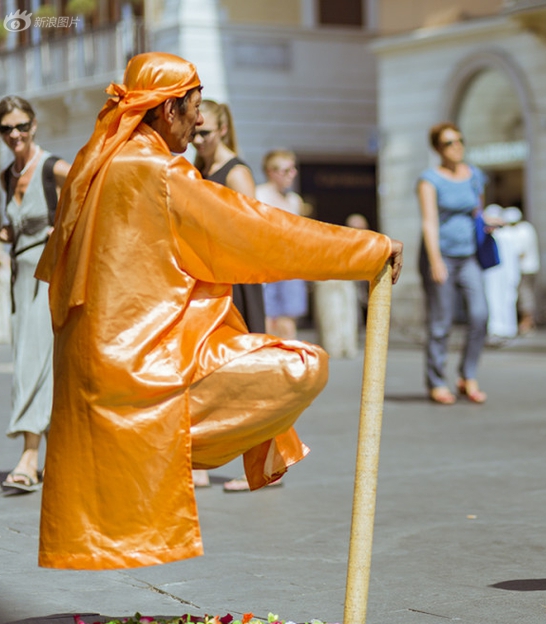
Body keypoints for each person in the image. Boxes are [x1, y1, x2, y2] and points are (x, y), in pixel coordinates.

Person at [33, 52, 403, 570]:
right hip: (147, 369)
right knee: (303, 365)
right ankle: (160, 447)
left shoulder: (92, 166)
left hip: (91, 373)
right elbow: (260, 232)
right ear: (167, 111)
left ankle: (156, 446)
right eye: (195, 107)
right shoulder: (158, 172)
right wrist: (365, 251)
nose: (199, 119)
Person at [0, 96, 71, 495]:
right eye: (6, 128)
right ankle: (50, 455)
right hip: (21, 279)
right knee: (34, 358)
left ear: (35, 124)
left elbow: (90, 192)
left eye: (21, 125)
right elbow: (16, 224)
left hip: (49, 275)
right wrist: (5, 235)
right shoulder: (7, 175)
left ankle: (28, 456)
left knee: (32, 360)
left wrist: (65, 229)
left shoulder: (52, 166)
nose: (15, 134)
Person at [417, 122, 489, 404]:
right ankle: (436, 381)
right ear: (437, 149)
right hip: (441, 255)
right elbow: (429, 222)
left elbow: (477, 211)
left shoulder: (474, 176)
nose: (457, 146)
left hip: (469, 255)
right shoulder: (429, 180)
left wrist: (487, 224)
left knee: (480, 315)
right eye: (449, 142)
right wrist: (435, 260)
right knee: (440, 321)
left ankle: (467, 375)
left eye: (459, 140)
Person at [192, 100, 266, 334]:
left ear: (222, 130)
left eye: (205, 133)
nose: (197, 140)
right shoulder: (200, 170)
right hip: (208, 274)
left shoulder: (237, 173)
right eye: (193, 132)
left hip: (235, 278)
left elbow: (253, 230)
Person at [258, 150, 312, 341]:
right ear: (271, 172)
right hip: (266, 265)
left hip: (290, 265)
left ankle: (289, 359)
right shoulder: (260, 194)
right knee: (266, 318)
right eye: (286, 170)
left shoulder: (293, 200)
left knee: (289, 318)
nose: (292, 174)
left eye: (293, 169)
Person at [482, 204, 521, 344]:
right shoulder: (502, 236)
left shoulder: (505, 236)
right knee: (495, 300)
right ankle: (499, 328)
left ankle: (505, 328)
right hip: (495, 275)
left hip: (502, 275)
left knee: (505, 300)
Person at [505, 206, 540, 335]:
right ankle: (527, 320)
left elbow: (520, 252)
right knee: (526, 293)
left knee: (524, 294)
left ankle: (527, 320)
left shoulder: (523, 230)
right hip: (529, 268)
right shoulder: (527, 228)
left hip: (525, 269)